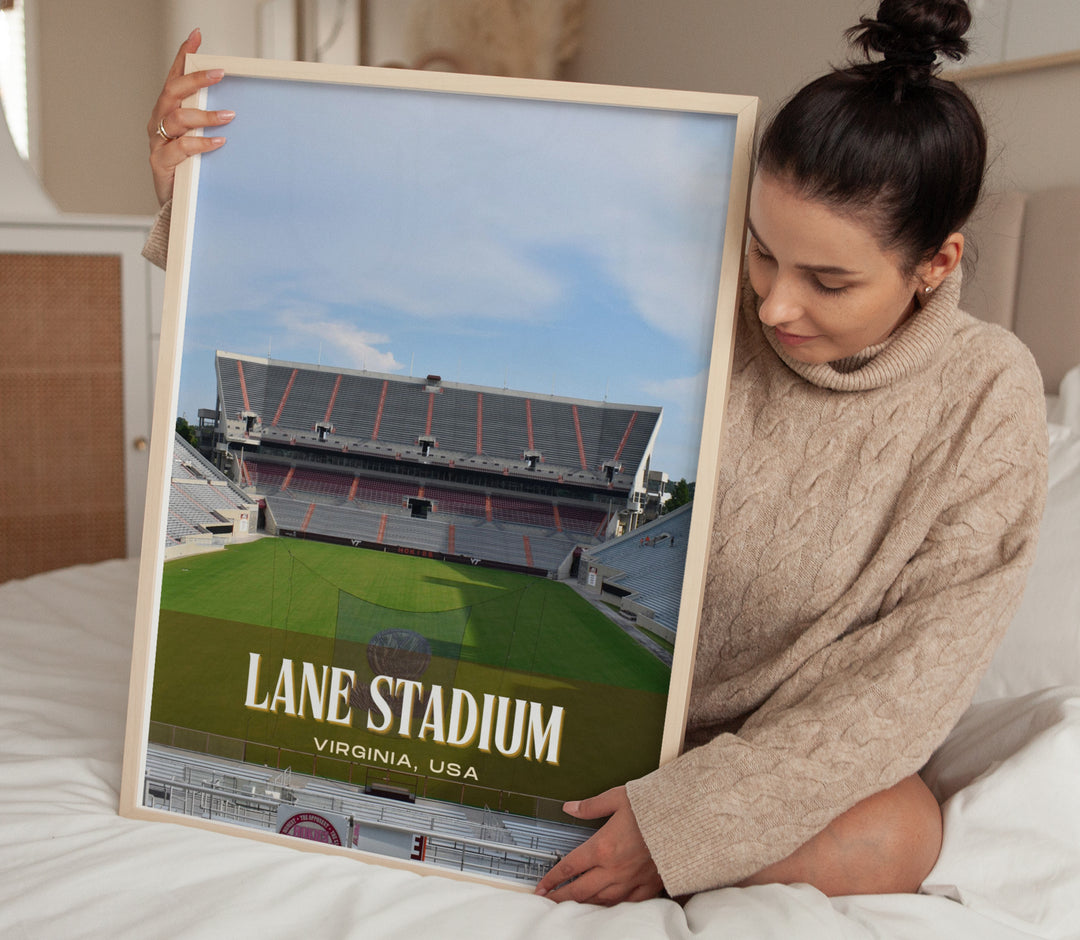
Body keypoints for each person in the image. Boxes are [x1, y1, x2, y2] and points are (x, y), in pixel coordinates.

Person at [144, 0, 1047, 906]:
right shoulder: (701, 297)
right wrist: (199, 201)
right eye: (764, 253)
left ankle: (605, 842)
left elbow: (908, 687)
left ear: (937, 263)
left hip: (766, 756)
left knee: (898, 835)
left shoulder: (985, 397)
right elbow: (443, 241)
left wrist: (688, 822)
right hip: (596, 721)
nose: (774, 304)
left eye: (829, 280)